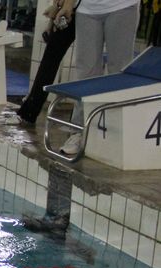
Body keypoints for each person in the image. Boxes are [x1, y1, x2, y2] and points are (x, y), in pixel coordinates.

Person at [61, 0, 140, 154]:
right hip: (87, 8)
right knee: (86, 73)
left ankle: (118, 134)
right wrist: (68, 4)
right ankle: (79, 131)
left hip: (122, 6)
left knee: (119, 73)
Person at [15, 0, 78, 125]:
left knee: (86, 68)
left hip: (89, 12)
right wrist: (54, 15)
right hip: (70, 12)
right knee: (48, 63)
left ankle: (80, 122)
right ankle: (29, 112)